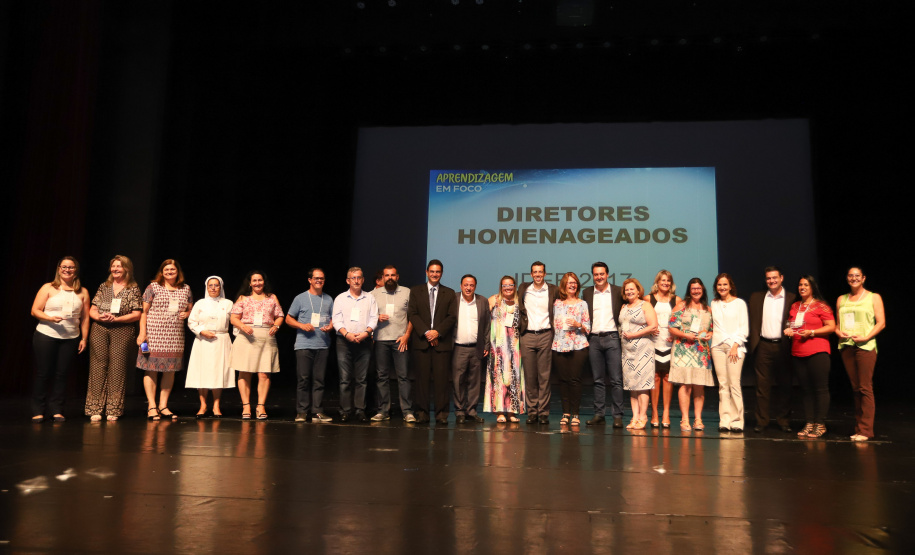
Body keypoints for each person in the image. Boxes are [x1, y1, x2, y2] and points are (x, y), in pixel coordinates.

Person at [30, 256, 91, 422]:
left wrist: (84, 338)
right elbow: (35, 310)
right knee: (43, 373)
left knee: (62, 374)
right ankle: (38, 409)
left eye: (71, 267)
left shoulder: (83, 292)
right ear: (59, 269)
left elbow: (85, 318)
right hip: (46, 334)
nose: (67, 270)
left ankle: (56, 409)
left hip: (70, 337)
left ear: (76, 271)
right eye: (64, 267)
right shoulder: (48, 287)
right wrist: (50, 318)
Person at [84, 255, 142, 421]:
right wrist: (99, 317)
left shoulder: (133, 288)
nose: (115, 269)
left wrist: (116, 319)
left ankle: (113, 409)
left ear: (127, 269)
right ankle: (94, 408)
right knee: (97, 367)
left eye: (119, 266)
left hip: (122, 330)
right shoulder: (104, 286)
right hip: (100, 329)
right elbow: (93, 309)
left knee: (117, 368)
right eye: (113, 266)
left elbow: (137, 314)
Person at [137, 259, 193, 420]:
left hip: (175, 336)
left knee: (170, 370)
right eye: (166, 269)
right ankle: (151, 406)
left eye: (172, 269)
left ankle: (163, 405)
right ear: (162, 272)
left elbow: (191, 308)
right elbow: (143, 312)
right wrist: (142, 333)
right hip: (153, 334)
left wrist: (187, 313)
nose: (169, 272)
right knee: (151, 368)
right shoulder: (153, 287)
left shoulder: (186, 288)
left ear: (178, 272)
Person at [836, 267, 885, 442]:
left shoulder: (874, 297)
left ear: (863, 278)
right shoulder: (841, 299)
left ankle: (866, 430)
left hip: (865, 345)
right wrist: (839, 333)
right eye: (850, 275)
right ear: (847, 278)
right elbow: (837, 325)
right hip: (847, 346)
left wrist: (866, 337)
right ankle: (858, 428)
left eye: (857, 275)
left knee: (865, 388)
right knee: (856, 388)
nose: (854, 278)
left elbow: (881, 323)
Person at [785, 275, 835, 439]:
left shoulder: (821, 306)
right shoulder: (795, 306)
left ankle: (820, 424)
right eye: (800, 285)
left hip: (818, 351)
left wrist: (812, 332)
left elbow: (831, 327)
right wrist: (788, 329)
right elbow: (790, 323)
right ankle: (809, 422)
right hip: (798, 352)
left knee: (820, 389)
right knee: (805, 390)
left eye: (806, 285)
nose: (802, 287)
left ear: (812, 287)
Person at [748, 266, 796, 433]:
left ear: (781, 278)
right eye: (768, 278)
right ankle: (762, 421)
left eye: (775, 277)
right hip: (763, 345)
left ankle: (784, 421)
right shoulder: (756, 297)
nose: (772, 281)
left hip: (784, 346)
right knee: (762, 387)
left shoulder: (792, 298)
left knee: (785, 386)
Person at [407, 259, 456, 424]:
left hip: (441, 343)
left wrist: (437, 332)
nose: (435, 274)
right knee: (421, 381)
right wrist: (427, 332)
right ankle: (422, 413)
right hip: (422, 342)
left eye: (438, 272)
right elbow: (412, 314)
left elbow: (452, 317)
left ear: (441, 274)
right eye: (432, 271)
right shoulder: (416, 291)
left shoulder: (449, 293)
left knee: (442, 381)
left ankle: (442, 415)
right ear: (427, 272)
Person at [229, 271, 283, 420]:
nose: (257, 283)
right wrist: (242, 326)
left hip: (266, 336)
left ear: (264, 282)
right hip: (247, 337)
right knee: (245, 372)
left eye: (260, 280)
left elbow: (279, 316)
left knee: (264, 373)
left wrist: (276, 326)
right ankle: (246, 406)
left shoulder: (272, 298)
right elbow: (233, 318)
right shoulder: (243, 298)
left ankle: (260, 406)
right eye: (254, 280)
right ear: (250, 283)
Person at [286, 268, 335, 423]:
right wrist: (301, 325)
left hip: (322, 344)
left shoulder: (328, 299)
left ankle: (317, 411)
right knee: (303, 379)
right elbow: (288, 318)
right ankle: (302, 412)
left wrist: (331, 326)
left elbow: (334, 318)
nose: (319, 280)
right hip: (304, 345)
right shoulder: (300, 298)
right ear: (310, 280)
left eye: (322, 278)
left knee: (319, 380)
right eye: (316, 278)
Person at [332, 266, 378, 422]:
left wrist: (366, 333)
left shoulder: (370, 298)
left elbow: (374, 318)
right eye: (353, 278)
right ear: (348, 281)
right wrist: (347, 334)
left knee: (361, 379)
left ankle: (360, 410)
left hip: (364, 341)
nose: (356, 281)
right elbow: (336, 320)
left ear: (363, 280)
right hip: (344, 341)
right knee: (345, 378)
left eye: (359, 278)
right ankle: (345, 411)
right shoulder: (340, 298)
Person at [668, 278, 714, 431]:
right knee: (685, 384)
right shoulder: (681, 306)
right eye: (693, 288)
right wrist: (685, 335)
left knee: (699, 385)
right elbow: (671, 327)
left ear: (703, 290)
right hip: (683, 350)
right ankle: (685, 419)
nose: (696, 291)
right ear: (689, 290)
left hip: (701, 351)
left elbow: (711, 329)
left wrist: (710, 334)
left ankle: (698, 419)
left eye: (698, 288)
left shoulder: (708, 309)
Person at [186, 276, 235, 418]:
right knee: (202, 373)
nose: (213, 288)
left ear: (221, 287)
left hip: (221, 340)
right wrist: (202, 331)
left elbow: (235, 321)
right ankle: (203, 405)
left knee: (218, 373)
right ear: (206, 287)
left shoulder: (228, 303)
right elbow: (192, 322)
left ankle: (216, 405)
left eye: (216, 285)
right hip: (203, 341)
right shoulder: (200, 303)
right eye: (210, 285)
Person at [516, 261, 559, 424]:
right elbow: (507, 295)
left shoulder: (553, 290)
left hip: (546, 335)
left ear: (545, 274)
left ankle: (543, 413)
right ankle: (532, 411)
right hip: (527, 335)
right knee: (530, 376)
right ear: (531, 274)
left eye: (540, 272)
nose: (538, 274)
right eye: (535, 272)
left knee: (544, 376)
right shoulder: (524, 288)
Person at [370, 265, 414, 422]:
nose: (390, 278)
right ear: (382, 277)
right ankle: (383, 411)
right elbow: (367, 316)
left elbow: (413, 316)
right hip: (381, 340)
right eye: (387, 275)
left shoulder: (407, 292)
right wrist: (376, 318)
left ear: (397, 277)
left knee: (403, 376)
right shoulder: (373, 294)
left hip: (400, 340)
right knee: (382, 376)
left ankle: (407, 411)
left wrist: (407, 335)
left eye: (392, 275)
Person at [582, 262, 623, 427]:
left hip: (613, 337)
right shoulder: (587, 292)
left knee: (616, 380)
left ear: (607, 274)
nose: (599, 277)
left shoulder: (618, 291)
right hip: (594, 339)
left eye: (602, 274)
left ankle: (617, 416)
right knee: (598, 379)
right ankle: (599, 414)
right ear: (593, 276)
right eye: (596, 274)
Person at [710, 273, 749, 433]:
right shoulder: (714, 303)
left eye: (725, 284)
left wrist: (735, 345)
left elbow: (744, 328)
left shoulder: (739, 303)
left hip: (735, 347)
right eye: (719, 285)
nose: (722, 287)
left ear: (730, 286)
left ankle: (737, 421)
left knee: (734, 384)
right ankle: (724, 420)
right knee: (723, 384)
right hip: (717, 347)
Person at [551, 272, 590, 427]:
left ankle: (575, 414)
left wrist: (578, 324)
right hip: (559, 345)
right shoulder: (556, 304)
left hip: (578, 345)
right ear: (564, 286)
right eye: (569, 283)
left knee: (574, 380)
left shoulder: (582, 304)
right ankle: (565, 413)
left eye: (574, 282)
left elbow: (588, 327)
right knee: (563, 380)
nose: (572, 285)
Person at [619, 278, 658, 430]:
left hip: (643, 349)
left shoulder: (645, 305)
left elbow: (653, 326)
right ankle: (634, 417)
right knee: (632, 386)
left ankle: (643, 416)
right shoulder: (624, 306)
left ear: (638, 290)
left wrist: (634, 335)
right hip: (627, 351)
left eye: (632, 289)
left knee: (642, 385)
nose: (629, 291)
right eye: (627, 289)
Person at [451, 274, 491, 424]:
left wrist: (486, 344)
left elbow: (487, 325)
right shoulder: (454, 299)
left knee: (475, 382)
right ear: (461, 286)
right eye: (466, 285)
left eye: (471, 285)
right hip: (458, 347)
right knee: (458, 381)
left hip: (476, 348)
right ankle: (459, 411)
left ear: (475, 287)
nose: (468, 288)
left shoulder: (482, 301)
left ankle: (472, 411)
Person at [485, 276, 525, 423]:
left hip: (515, 346)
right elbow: (484, 320)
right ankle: (500, 412)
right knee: (498, 379)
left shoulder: (519, 302)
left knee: (514, 379)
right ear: (501, 287)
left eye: (510, 285)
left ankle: (512, 412)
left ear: (514, 286)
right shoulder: (493, 300)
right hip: (497, 347)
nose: (508, 288)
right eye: (504, 285)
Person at [644, 270, 681, 428]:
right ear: (657, 282)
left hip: (670, 343)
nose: (665, 283)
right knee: (654, 377)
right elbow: (641, 318)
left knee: (667, 377)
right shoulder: (648, 299)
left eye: (668, 281)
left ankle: (666, 413)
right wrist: (649, 329)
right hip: (652, 343)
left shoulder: (677, 300)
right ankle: (654, 413)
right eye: (663, 280)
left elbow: (681, 321)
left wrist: (675, 333)